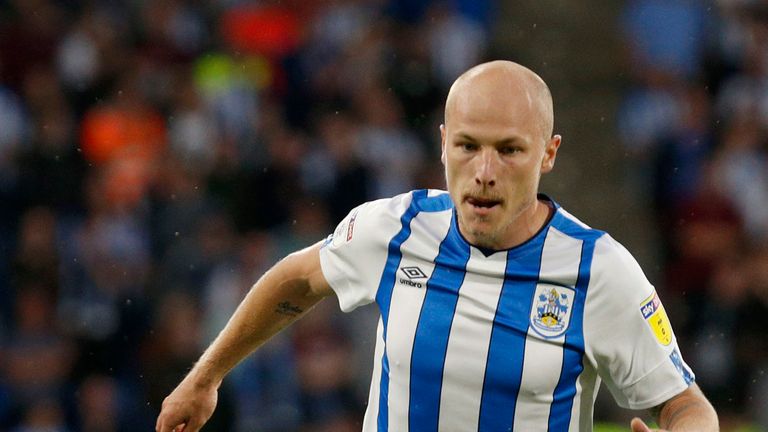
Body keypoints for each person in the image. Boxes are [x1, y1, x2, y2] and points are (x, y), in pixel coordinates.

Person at [156, 61, 719, 432]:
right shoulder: (393, 228)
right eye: (469, 146)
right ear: (443, 143)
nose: (485, 171)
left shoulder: (600, 271)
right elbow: (299, 279)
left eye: (510, 150)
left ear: (548, 154)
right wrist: (205, 377)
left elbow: (685, 403)